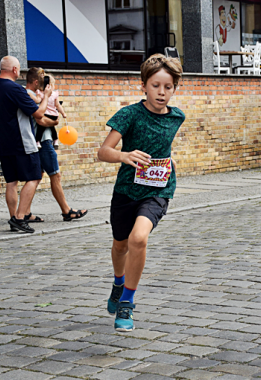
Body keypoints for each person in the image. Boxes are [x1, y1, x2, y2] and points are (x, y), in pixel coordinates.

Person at [98, 54, 186, 332]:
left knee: (138, 239)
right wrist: (124, 156)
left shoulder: (177, 117)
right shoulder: (129, 114)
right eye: (156, 85)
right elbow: (103, 152)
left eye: (168, 87)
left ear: (174, 88)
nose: (162, 92)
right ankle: (118, 281)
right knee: (120, 245)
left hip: (158, 190)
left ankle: (127, 302)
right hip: (126, 190)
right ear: (144, 86)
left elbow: (163, 148)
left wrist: (168, 163)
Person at [0, 56, 52, 233]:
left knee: (11, 181)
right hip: (22, 141)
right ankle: (20, 217)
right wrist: (46, 96)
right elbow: (38, 113)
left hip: (4, 142)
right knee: (35, 176)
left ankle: (13, 217)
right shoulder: (15, 89)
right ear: (15, 70)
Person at [26, 69, 87, 222]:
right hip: (43, 141)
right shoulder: (34, 96)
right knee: (55, 174)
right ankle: (66, 211)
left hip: (40, 141)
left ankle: (25, 212)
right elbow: (40, 119)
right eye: (42, 80)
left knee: (36, 177)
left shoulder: (37, 96)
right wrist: (55, 121)